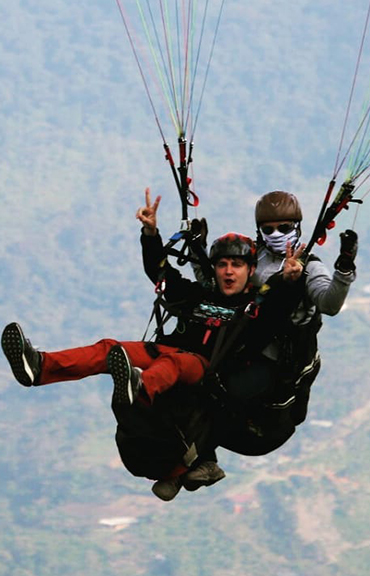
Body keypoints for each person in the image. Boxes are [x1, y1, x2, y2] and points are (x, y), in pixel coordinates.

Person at [2, 189, 305, 501]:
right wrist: (150, 232)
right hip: (168, 350)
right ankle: (39, 367)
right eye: (223, 264)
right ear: (214, 269)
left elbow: (277, 310)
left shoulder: (252, 308)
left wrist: (289, 280)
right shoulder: (197, 295)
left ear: (250, 270)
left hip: (201, 366)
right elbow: (159, 272)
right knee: (110, 348)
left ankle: (141, 387)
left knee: (170, 366)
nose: (229, 271)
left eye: (237, 265)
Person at [191, 190, 358, 457]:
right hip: (244, 345)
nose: (277, 234)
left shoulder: (310, 267)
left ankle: (204, 453)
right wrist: (196, 248)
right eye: (269, 229)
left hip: (278, 360)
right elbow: (216, 285)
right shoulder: (252, 260)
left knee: (224, 393)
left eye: (285, 227)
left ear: (297, 227)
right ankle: (190, 456)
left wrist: (344, 269)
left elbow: (330, 304)